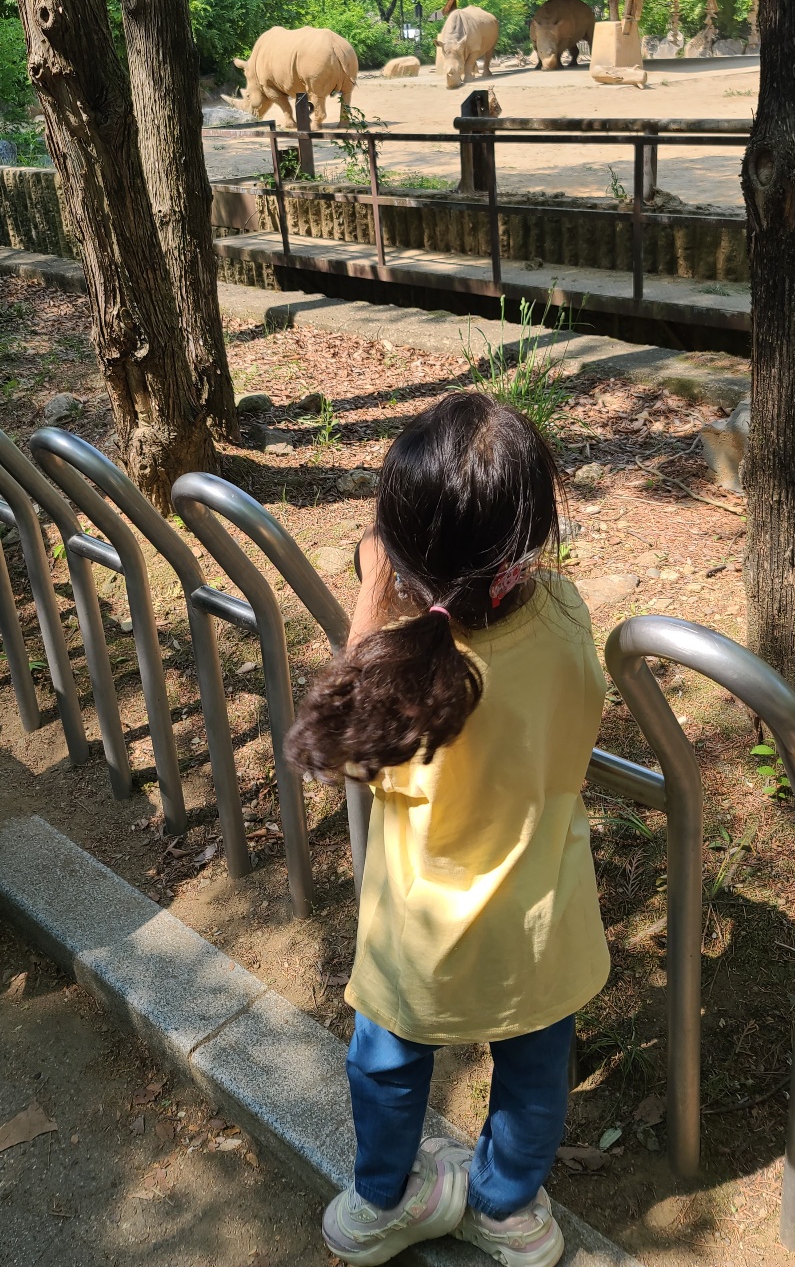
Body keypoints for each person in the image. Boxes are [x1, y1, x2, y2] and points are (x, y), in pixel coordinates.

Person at [286, 392, 610, 1267]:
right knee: (533, 1075)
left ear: (401, 546)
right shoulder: (565, 614)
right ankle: (508, 1212)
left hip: (416, 936)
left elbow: (346, 741)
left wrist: (371, 590)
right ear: (531, 530)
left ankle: (379, 1204)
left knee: (386, 1069)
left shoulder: (400, 670)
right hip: (539, 921)